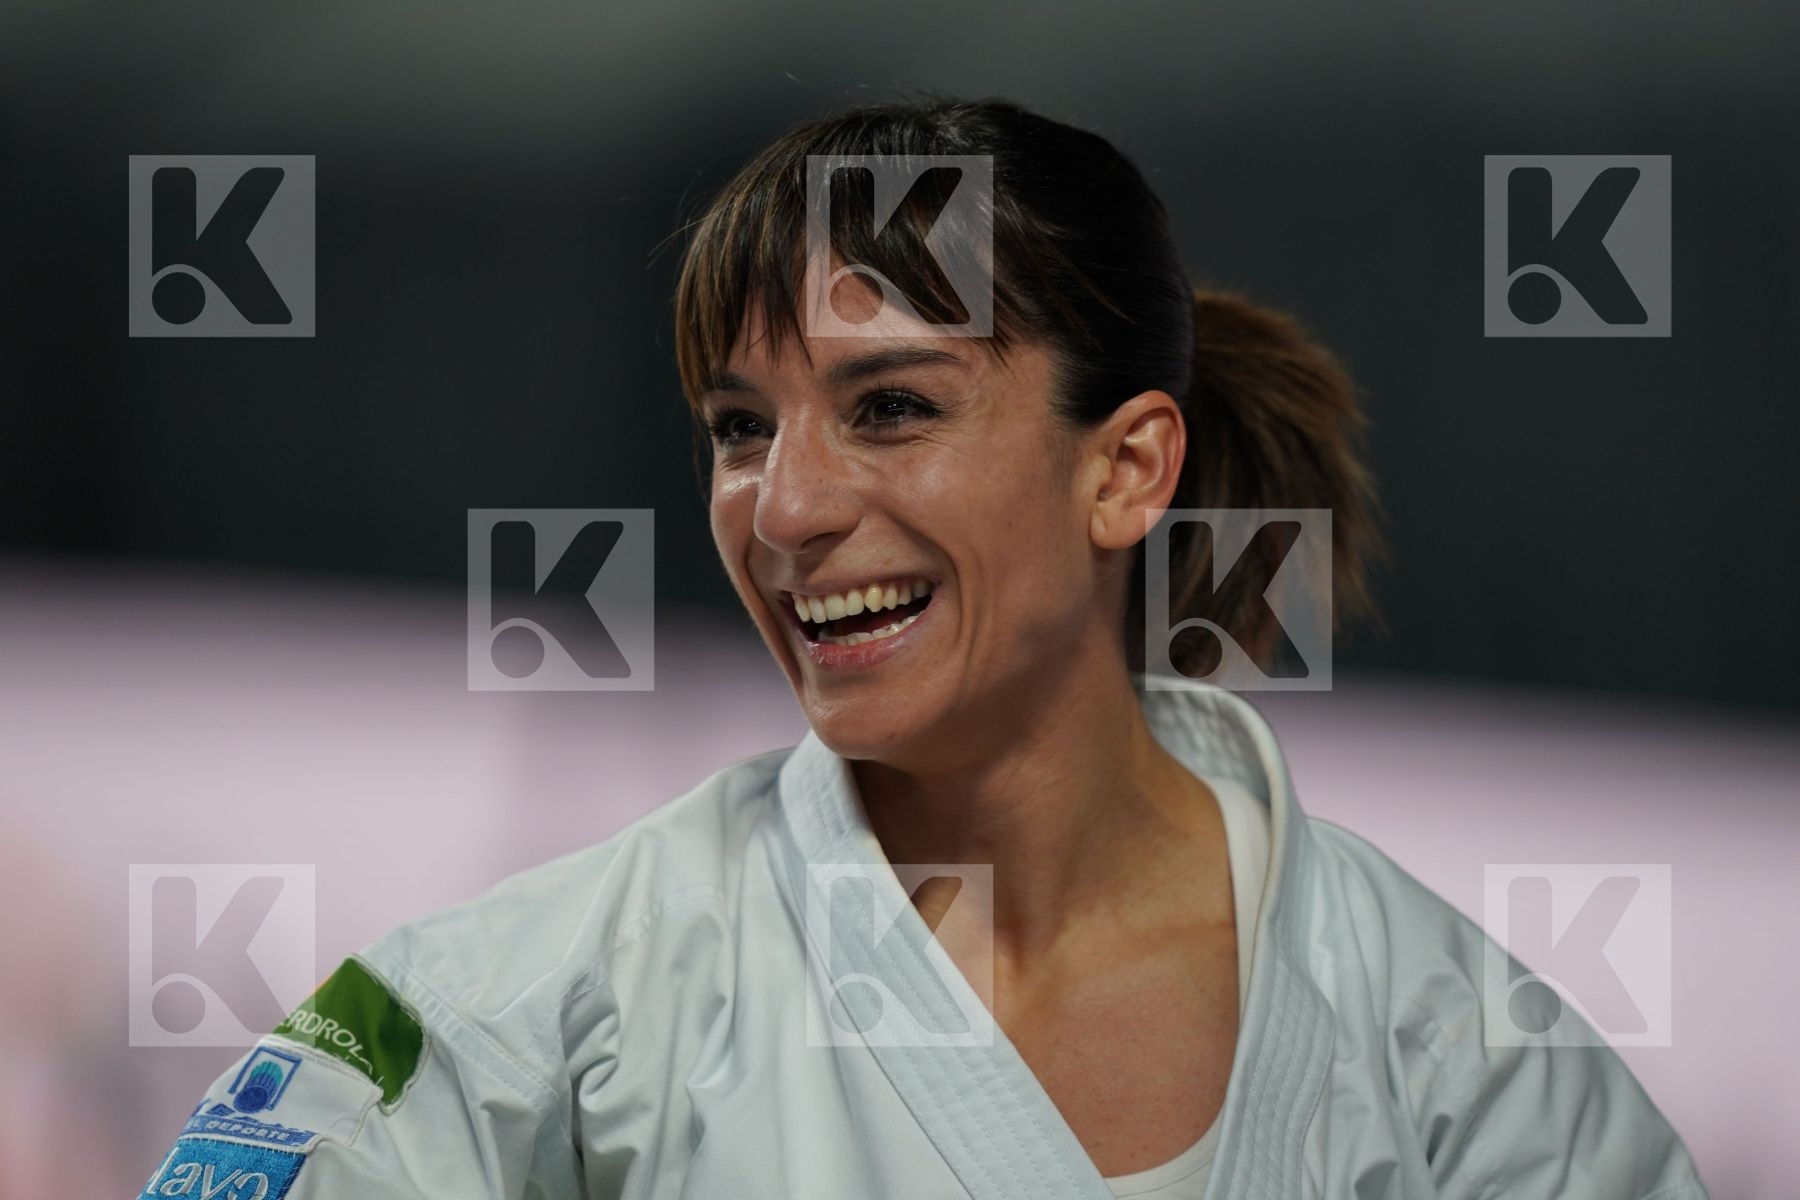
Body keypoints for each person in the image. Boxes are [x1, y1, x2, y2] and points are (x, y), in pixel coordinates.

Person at [137, 96, 1710, 1199]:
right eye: (739, 428)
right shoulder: (522, 1010)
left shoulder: (1460, 1056)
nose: (785, 507)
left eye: (891, 408)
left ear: (1127, 470)